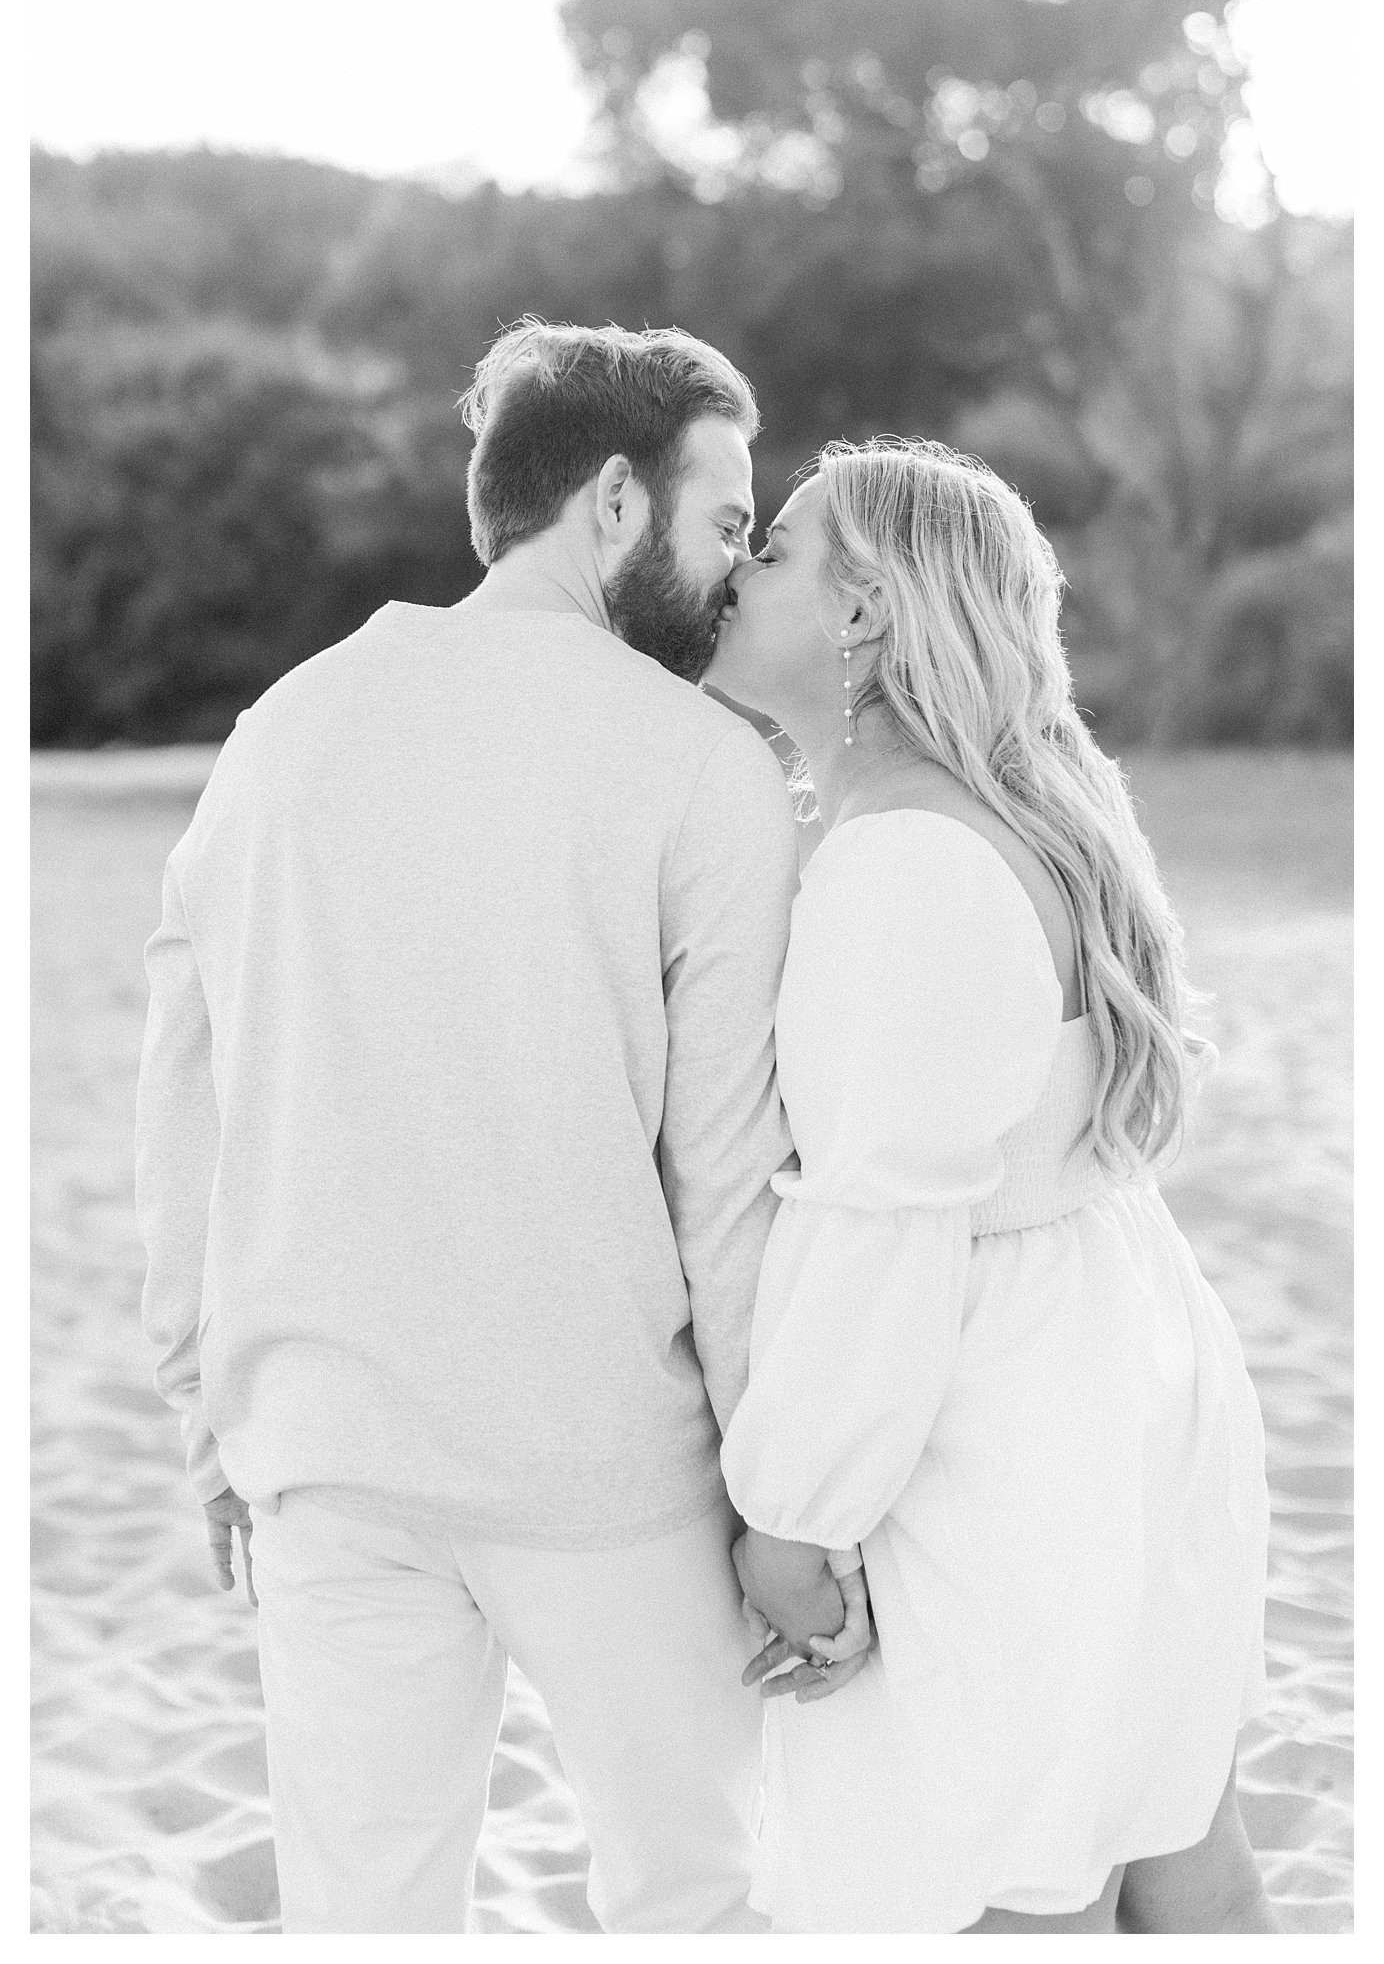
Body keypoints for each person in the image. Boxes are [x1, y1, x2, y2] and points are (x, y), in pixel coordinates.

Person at [134, 320, 816, 1934]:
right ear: (611, 505)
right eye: (726, 520)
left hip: (325, 1449)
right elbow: (726, 1188)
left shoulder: (277, 733)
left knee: (364, 1919)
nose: (737, 566)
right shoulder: (702, 768)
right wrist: (782, 1498)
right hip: (606, 1473)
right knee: (694, 1905)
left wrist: (206, 1400)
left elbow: (187, 1096)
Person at [703, 437, 1278, 1934]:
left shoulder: (903, 859)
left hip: (1008, 1419)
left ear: (865, 614)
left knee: (1001, 1882)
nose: (734, 567)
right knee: (1161, 1840)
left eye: (772, 547)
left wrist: (795, 1517)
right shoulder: (1015, 818)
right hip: (1122, 1353)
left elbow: (887, 1227)